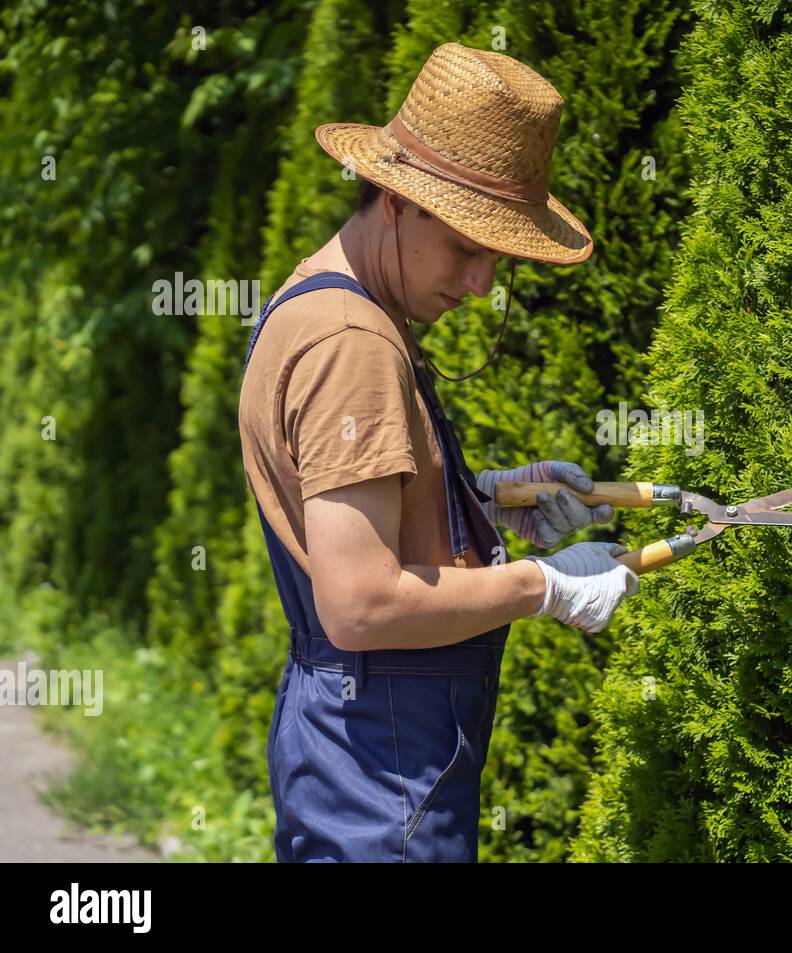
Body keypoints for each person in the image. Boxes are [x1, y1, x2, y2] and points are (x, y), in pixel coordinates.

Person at [237, 41, 640, 862]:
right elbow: (358, 601)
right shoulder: (353, 342)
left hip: (358, 754)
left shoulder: (320, 299)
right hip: (380, 784)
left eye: (501, 256)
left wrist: (480, 501)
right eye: (466, 245)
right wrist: (546, 585)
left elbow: (354, 517)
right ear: (394, 199)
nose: (484, 282)